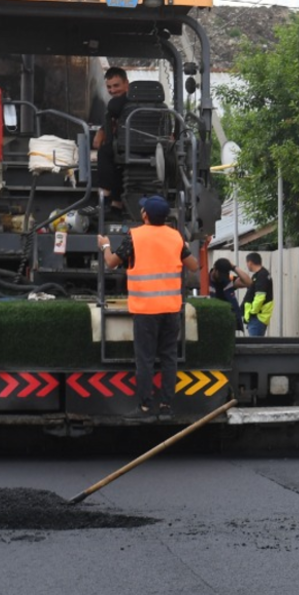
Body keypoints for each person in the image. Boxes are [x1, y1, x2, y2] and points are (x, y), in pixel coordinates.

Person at [99, 195, 194, 421]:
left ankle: (144, 408)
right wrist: (184, 248)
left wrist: (104, 246)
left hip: (145, 310)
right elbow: (193, 266)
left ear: (145, 215)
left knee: (146, 360)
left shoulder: (135, 236)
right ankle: (166, 408)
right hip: (171, 309)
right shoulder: (176, 237)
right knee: (169, 358)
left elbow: (111, 262)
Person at [92, 67, 130, 217]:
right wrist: (102, 130)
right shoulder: (129, 101)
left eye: (116, 85)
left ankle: (105, 198)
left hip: (133, 145)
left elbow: (113, 109)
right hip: (129, 145)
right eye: (109, 87)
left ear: (127, 83)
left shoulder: (121, 102)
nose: (112, 90)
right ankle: (116, 204)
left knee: (105, 152)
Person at [210, 256, 249, 331]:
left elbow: (248, 282)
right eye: (220, 274)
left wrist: (234, 267)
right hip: (213, 324)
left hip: (228, 323)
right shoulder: (205, 281)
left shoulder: (227, 279)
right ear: (215, 269)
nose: (221, 278)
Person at [241, 252, 273, 337]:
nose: (247, 265)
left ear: (250, 262)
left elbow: (260, 297)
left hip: (257, 318)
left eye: (247, 263)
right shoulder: (259, 275)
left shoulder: (262, 276)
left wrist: (252, 313)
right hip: (256, 317)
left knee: (254, 347)